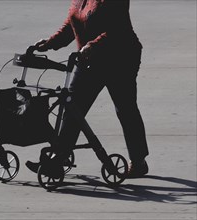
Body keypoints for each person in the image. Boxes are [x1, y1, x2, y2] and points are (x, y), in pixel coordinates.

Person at [25, 0, 149, 178]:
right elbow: (71, 24)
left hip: (120, 57)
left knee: (125, 108)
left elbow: (118, 29)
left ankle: (138, 162)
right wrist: (50, 43)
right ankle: (58, 159)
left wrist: (93, 44)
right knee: (71, 106)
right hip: (89, 59)